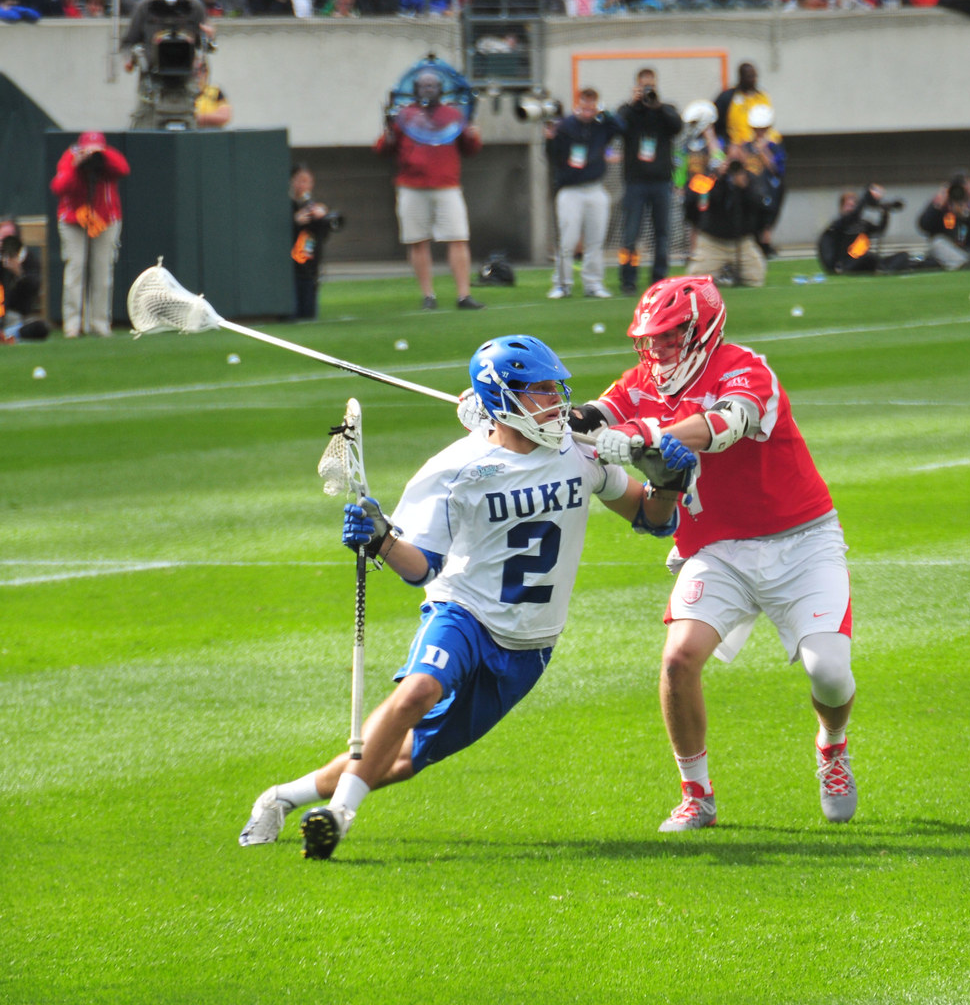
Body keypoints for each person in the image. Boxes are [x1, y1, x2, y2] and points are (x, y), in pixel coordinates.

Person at [238, 333, 689, 858]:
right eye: (540, 391)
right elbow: (420, 567)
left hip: (531, 642)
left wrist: (669, 482)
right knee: (418, 691)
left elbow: (652, 518)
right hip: (464, 612)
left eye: (556, 388)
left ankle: (280, 798)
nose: (558, 402)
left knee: (406, 759)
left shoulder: (577, 452)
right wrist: (381, 538)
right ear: (503, 399)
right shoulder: (453, 469)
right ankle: (338, 815)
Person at [571, 274, 859, 831]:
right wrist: (512, 414)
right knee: (678, 658)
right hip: (716, 547)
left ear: (702, 330)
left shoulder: (745, 368)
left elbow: (724, 424)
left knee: (829, 673)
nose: (655, 350)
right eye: (648, 339)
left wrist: (642, 437)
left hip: (801, 539)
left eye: (668, 337)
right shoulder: (641, 381)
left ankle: (832, 745)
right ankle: (696, 795)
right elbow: (588, 415)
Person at [374, 67, 485, 311]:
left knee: (457, 237)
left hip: (447, 185)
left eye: (432, 86)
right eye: (423, 86)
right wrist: (389, 133)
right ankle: (428, 295)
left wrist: (472, 135)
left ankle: (463, 295)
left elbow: (471, 149)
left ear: (440, 88)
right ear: (415, 89)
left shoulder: (453, 115)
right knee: (417, 240)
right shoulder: (404, 116)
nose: (428, 90)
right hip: (411, 186)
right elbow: (382, 149)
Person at [544, 87, 624, 300]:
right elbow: (552, 155)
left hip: (595, 187)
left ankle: (594, 283)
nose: (588, 110)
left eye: (592, 106)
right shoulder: (566, 126)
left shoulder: (601, 126)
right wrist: (550, 138)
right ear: (577, 105)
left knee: (596, 240)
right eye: (584, 105)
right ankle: (562, 284)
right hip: (570, 190)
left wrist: (605, 112)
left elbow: (621, 127)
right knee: (568, 240)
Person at [49, 131, 130, 339]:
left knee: (102, 272)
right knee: (76, 268)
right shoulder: (69, 158)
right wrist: (77, 165)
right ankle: (73, 326)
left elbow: (123, 168)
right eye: (88, 149)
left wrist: (102, 156)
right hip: (73, 220)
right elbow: (59, 186)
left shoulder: (109, 157)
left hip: (105, 220)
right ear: (79, 147)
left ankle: (100, 324)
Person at [616, 68, 683, 296]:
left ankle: (659, 280)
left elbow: (677, 126)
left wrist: (658, 106)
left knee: (662, 234)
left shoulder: (666, 110)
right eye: (643, 87)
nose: (647, 91)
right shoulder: (629, 112)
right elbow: (618, 125)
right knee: (630, 235)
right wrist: (632, 103)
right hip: (635, 182)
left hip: (661, 182)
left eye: (651, 87)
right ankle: (628, 279)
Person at [685, 152, 767, 287]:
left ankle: (728, 275)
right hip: (713, 242)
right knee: (696, 283)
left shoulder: (749, 178)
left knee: (755, 279)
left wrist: (744, 187)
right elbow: (700, 201)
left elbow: (759, 205)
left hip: (742, 241)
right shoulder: (710, 177)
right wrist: (719, 179)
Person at [817, 183, 924, 274]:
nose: (851, 208)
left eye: (853, 205)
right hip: (846, 262)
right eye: (848, 205)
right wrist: (867, 196)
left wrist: (885, 213)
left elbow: (880, 230)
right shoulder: (839, 224)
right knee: (868, 257)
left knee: (903, 255)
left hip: (863, 259)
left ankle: (889, 267)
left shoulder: (862, 223)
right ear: (842, 207)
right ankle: (883, 268)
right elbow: (852, 216)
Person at [288, 163, 342, 320]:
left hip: (309, 267)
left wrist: (322, 218)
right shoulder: (288, 205)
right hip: (292, 269)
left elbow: (323, 234)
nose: (304, 186)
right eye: (300, 181)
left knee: (309, 313)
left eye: (308, 181)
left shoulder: (313, 205)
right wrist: (296, 221)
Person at [738, 103, 786, 258]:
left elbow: (777, 169)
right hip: (750, 189)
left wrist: (763, 151)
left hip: (767, 190)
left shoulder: (774, 146)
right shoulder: (746, 146)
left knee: (766, 222)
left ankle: (765, 247)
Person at [1, 217, 48, 343]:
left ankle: (9, 334)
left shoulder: (29, 260)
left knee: (39, 328)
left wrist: (18, 272)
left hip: (16, 317)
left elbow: (33, 287)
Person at [713, 62, 773, 152]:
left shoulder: (762, 96)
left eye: (754, 76)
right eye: (749, 76)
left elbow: (769, 121)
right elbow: (716, 122)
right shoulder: (728, 97)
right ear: (741, 77)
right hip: (735, 146)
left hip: (760, 144)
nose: (753, 79)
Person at [193, 59, 232, 128]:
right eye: (195, 71)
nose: (198, 75)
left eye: (202, 70)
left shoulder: (215, 91)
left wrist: (197, 118)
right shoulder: (181, 91)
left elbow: (224, 116)